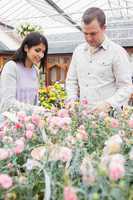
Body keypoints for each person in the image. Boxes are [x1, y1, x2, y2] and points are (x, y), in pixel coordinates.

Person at [66, 7, 133, 112]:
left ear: (104, 28)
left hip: (109, 118)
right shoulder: (78, 52)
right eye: (85, 33)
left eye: (93, 33)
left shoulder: (117, 52)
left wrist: (108, 104)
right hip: (83, 115)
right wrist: (71, 99)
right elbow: (71, 80)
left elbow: (126, 87)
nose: (89, 38)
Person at [0, 32, 48, 113]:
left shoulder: (35, 70)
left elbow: (34, 102)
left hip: (28, 123)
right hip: (10, 122)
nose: (41, 55)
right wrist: (35, 110)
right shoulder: (11, 67)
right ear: (26, 48)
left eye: (43, 52)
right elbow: (7, 103)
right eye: (37, 50)